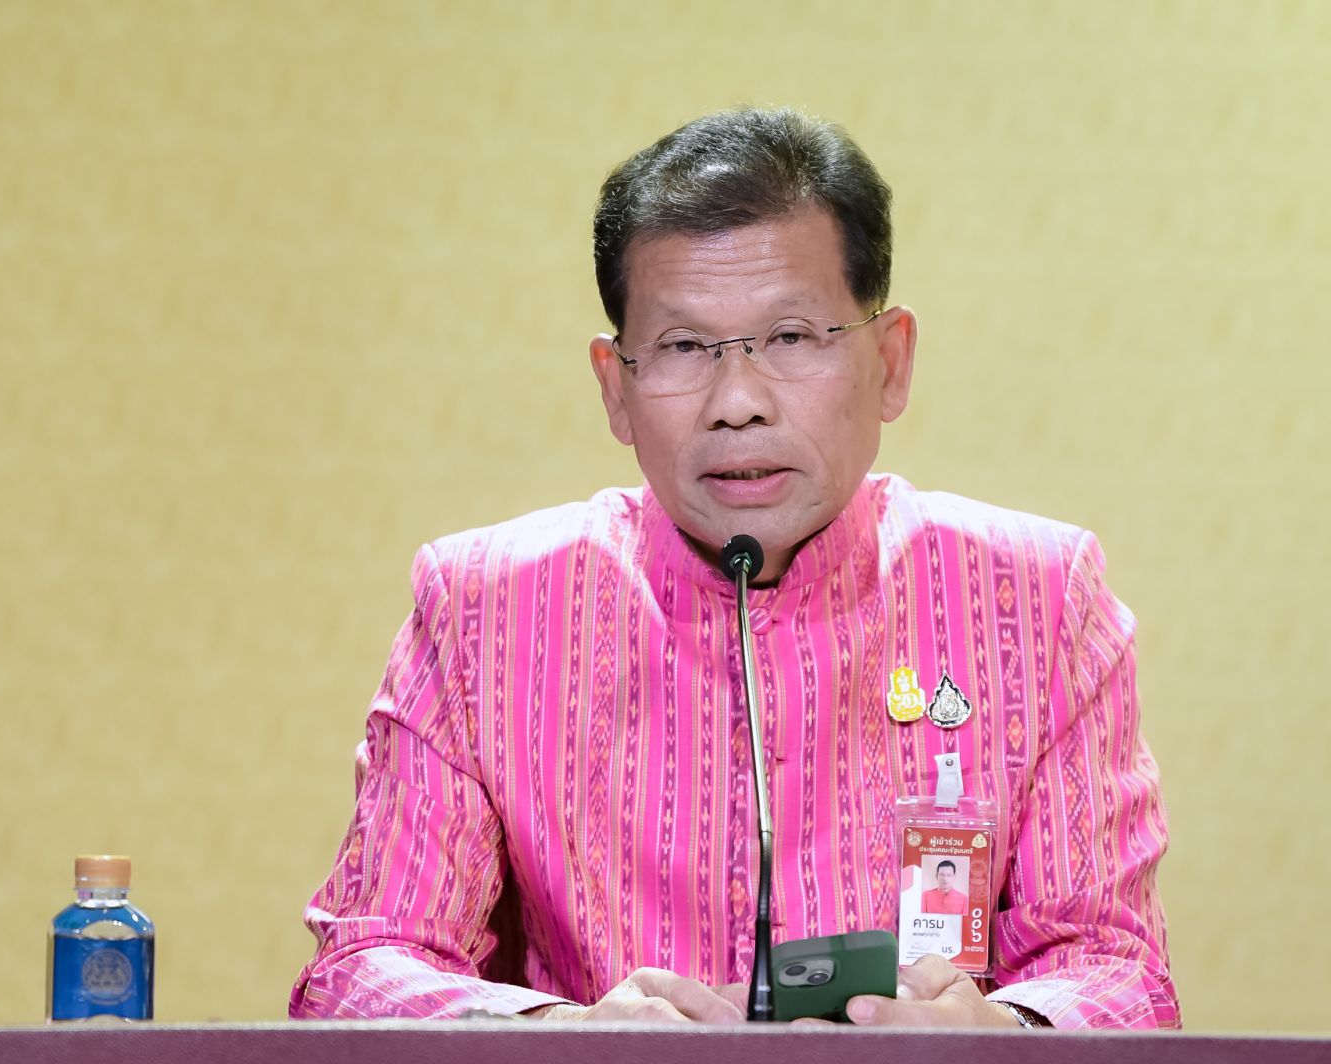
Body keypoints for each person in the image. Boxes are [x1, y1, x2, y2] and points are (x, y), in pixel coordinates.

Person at [289, 108, 1179, 1030]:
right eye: (684, 347)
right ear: (615, 387)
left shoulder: (1036, 599)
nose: (739, 403)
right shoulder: (485, 610)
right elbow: (360, 969)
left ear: (890, 361)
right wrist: (564, 1036)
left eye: (791, 337)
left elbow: (1117, 971)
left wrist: (998, 1034)